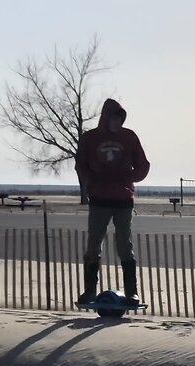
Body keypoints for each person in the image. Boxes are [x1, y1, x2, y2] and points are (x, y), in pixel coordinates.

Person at [75, 98, 150, 305]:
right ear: (106, 119)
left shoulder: (129, 137)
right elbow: (81, 165)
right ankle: (90, 290)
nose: (117, 123)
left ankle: (132, 292)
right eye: (113, 119)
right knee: (93, 244)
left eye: (120, 119)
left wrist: (129, 178)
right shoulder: (90, 138)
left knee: (124, 244)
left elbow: (143, 165)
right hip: (99, 199)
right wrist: (92, 181)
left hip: (123, 199)